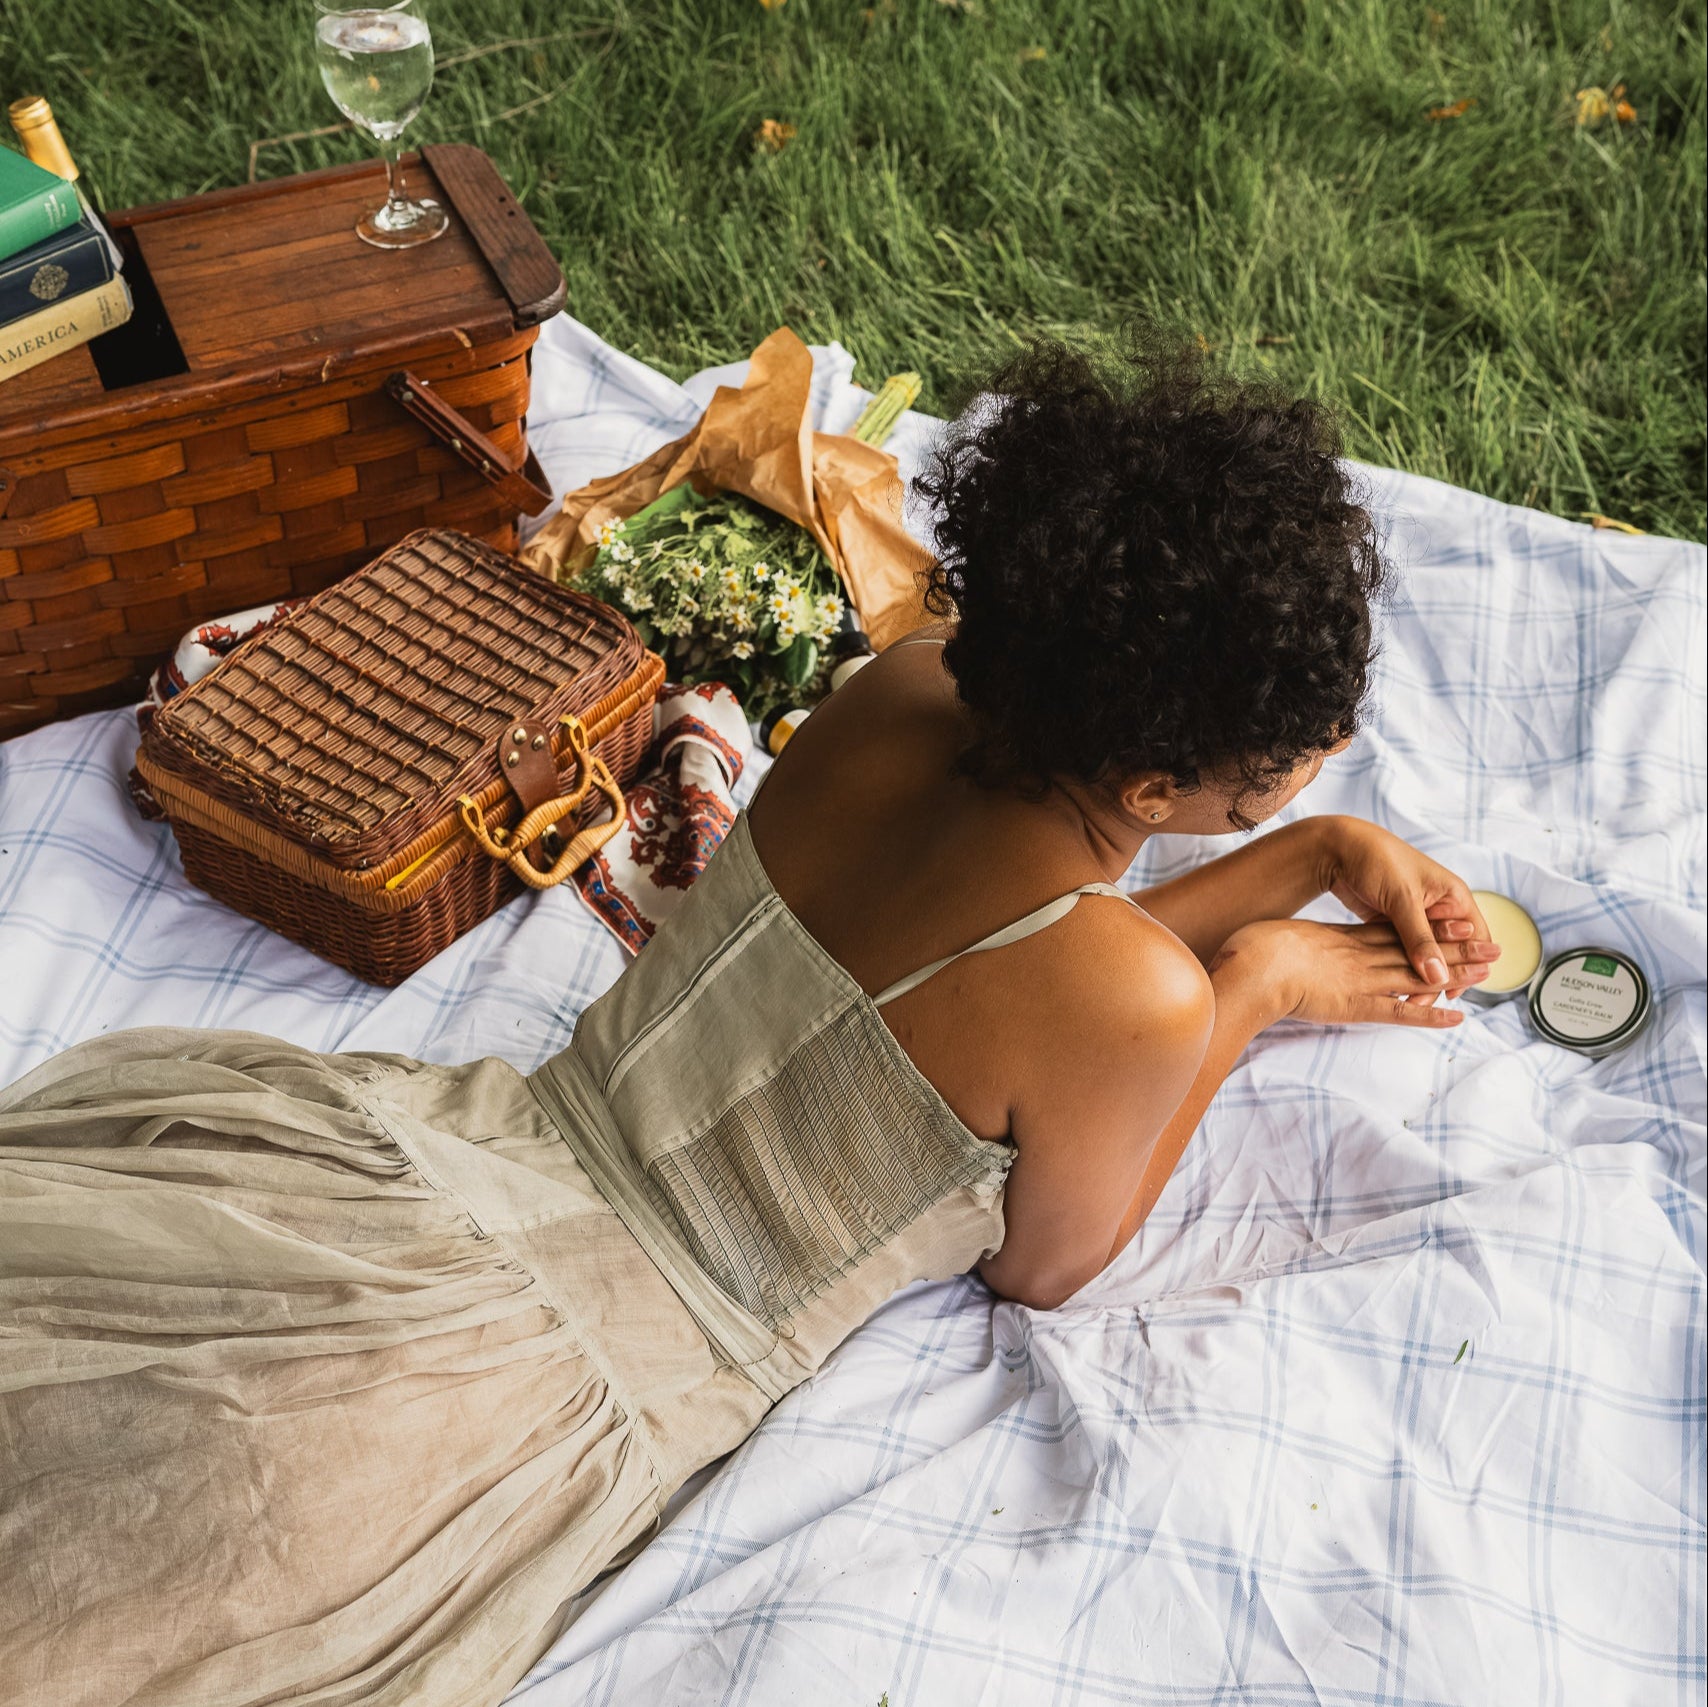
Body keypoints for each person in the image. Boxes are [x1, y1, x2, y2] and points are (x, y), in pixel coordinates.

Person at [0, 331, 1498, 1707]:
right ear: (1156, 795)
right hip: (532, 1378)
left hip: (433, 1171)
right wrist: (1263, 980)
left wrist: (1301, 857)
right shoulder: (1145, 997)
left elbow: (999, 985)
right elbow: (1050, 1257)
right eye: (1288, 773)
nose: (1321, 768)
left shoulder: (897, 687)